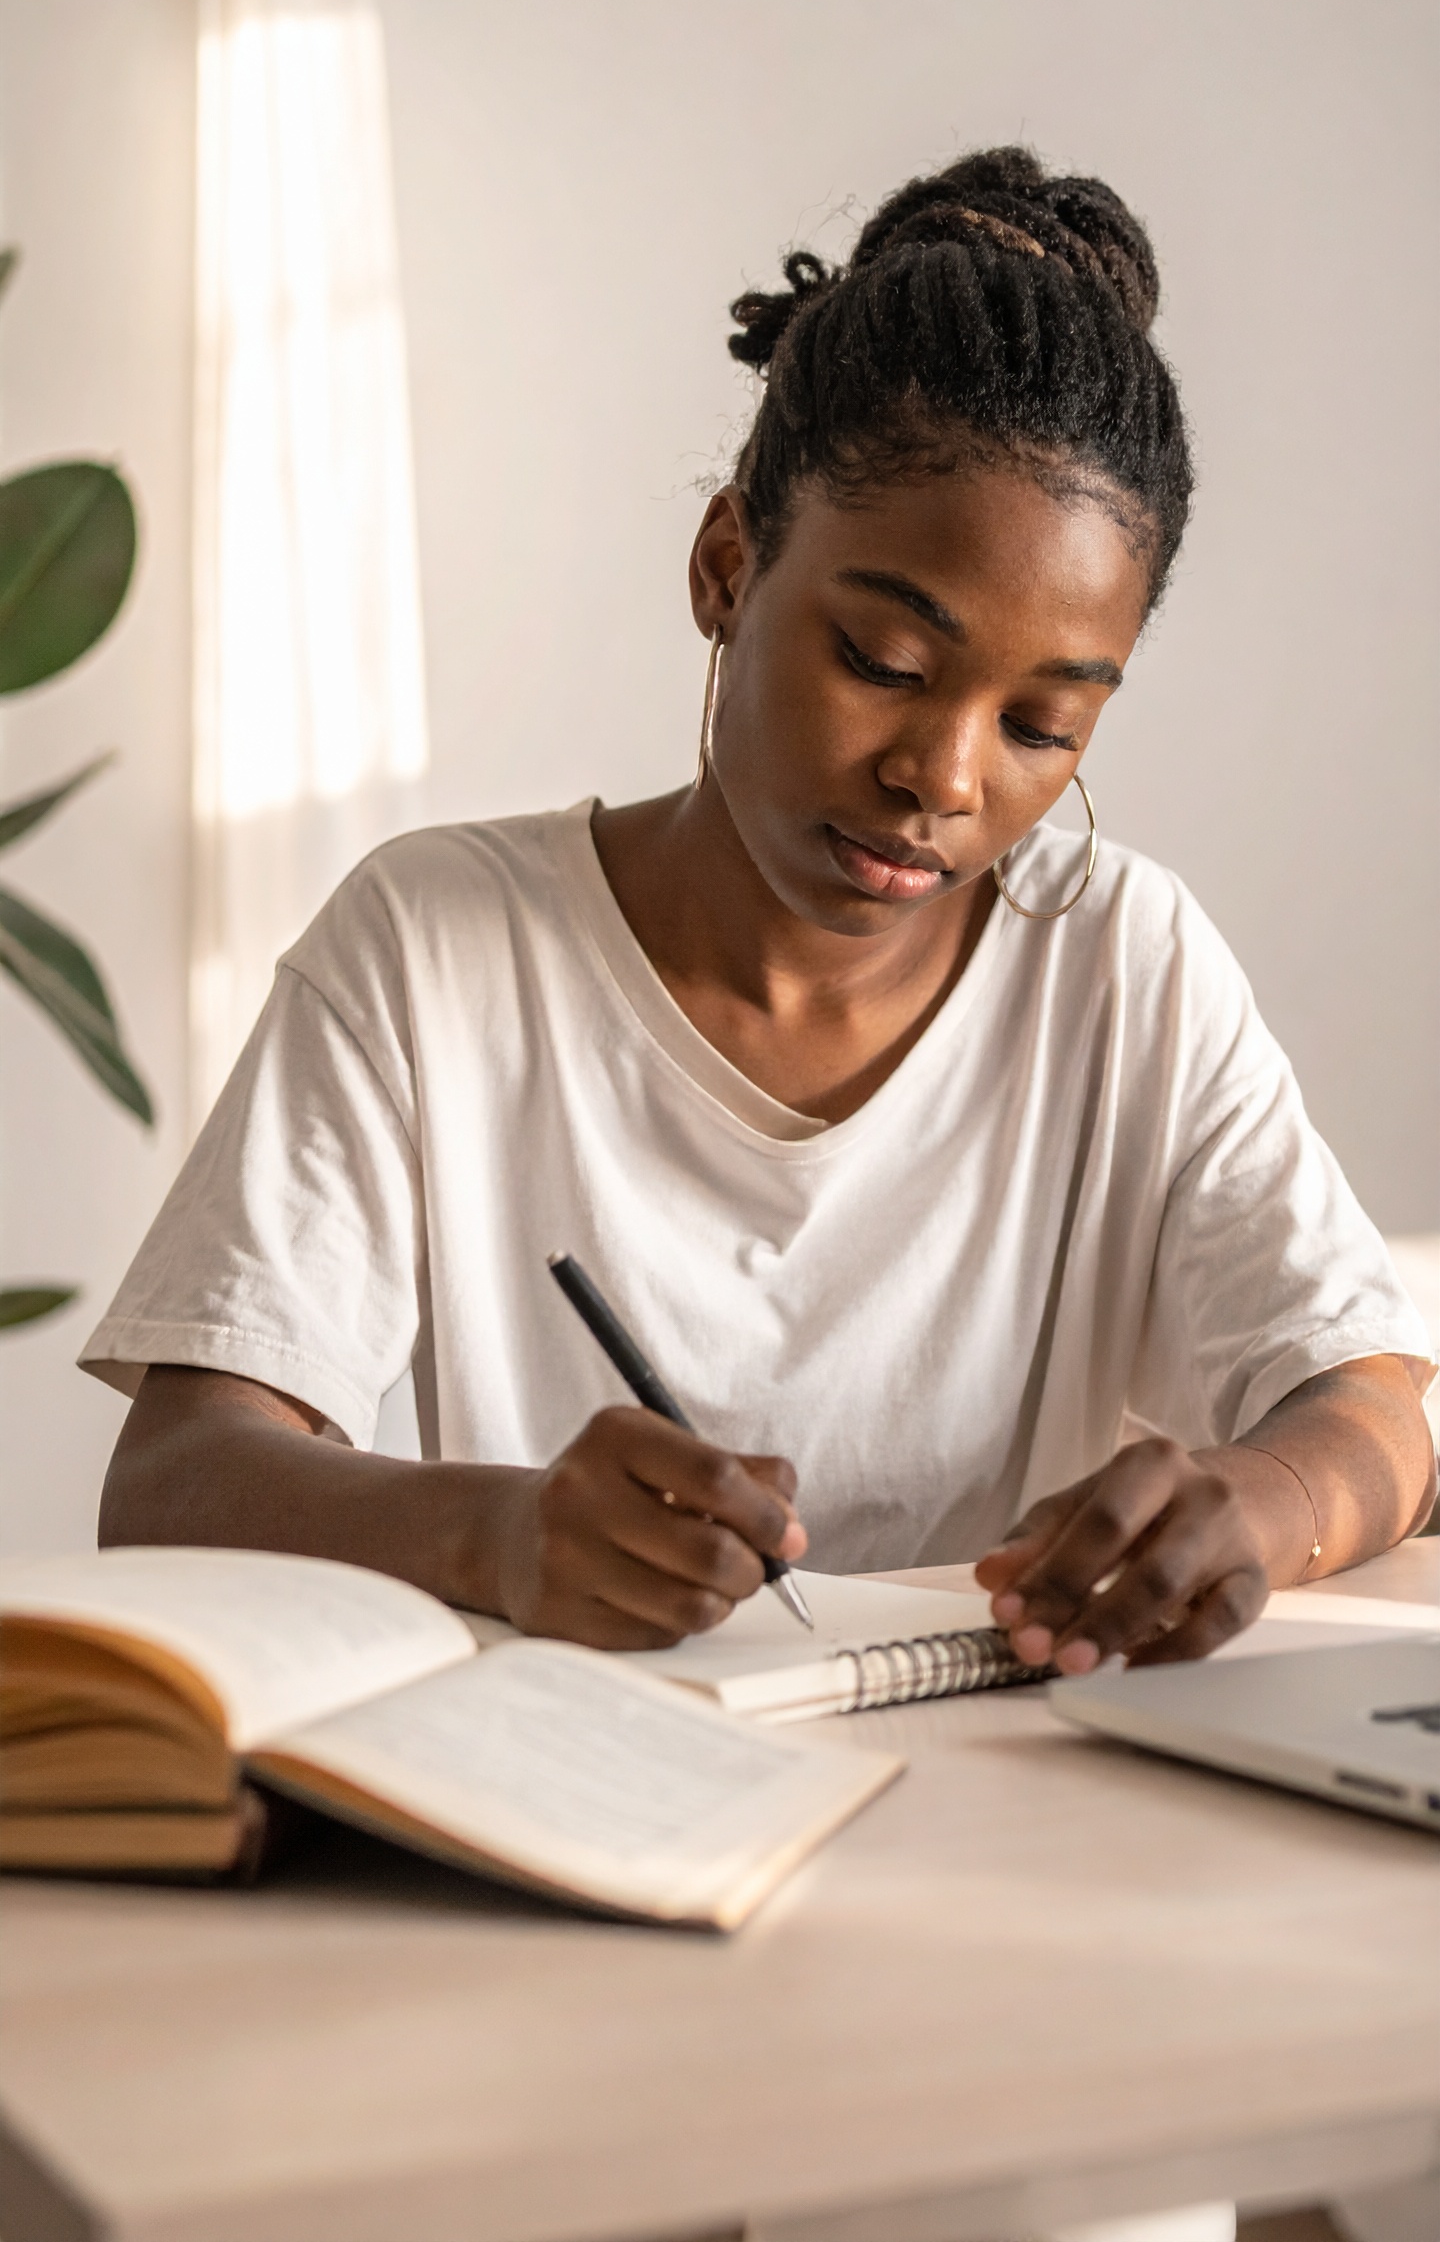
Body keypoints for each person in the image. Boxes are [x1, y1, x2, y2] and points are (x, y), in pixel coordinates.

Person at [91, 146, 1436, 1678]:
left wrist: (1254, 1505)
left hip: (1016, 1821)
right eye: (881, 661)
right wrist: (498, 1533)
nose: (942, 775)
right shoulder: (433, 949)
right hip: (591, 1805)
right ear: (729, 564)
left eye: (1044, 728)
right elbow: (174, 1481)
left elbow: (1379, 1418)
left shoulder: (1123, 967)